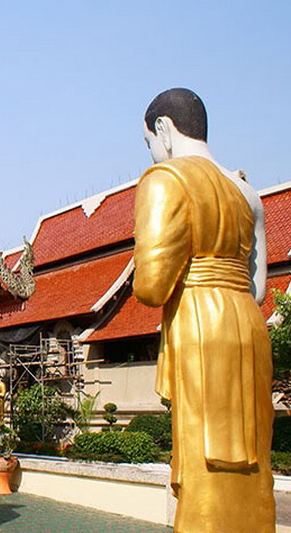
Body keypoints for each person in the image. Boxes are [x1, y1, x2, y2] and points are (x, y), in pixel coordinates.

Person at [133, 88, 274, 533]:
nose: (155, 155)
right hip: (248, 331)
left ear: (164, 130)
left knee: (204, 457)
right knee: (249, 453)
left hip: (200, 324)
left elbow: (152, 286)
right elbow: (258, 288)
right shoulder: (247, 192)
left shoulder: (167, 180)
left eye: (151, 145)